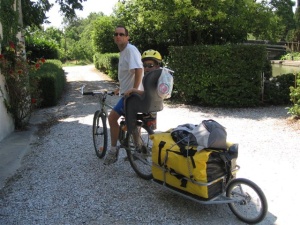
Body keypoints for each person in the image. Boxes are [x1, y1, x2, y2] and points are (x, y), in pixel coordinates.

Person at [104, 25, 143, 165]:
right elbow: (130, 74)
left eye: (121, 34)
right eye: (116, 34)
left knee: (112, 118)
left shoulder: (130, 50)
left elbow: (139, 70)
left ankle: (113, 151)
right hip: (128, 93)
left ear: (127, 37)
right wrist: (120, 88)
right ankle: (139, 151)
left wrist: (134, 90)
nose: (118, 36)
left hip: (132, 95)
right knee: (131, 122)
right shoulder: (124, 52)